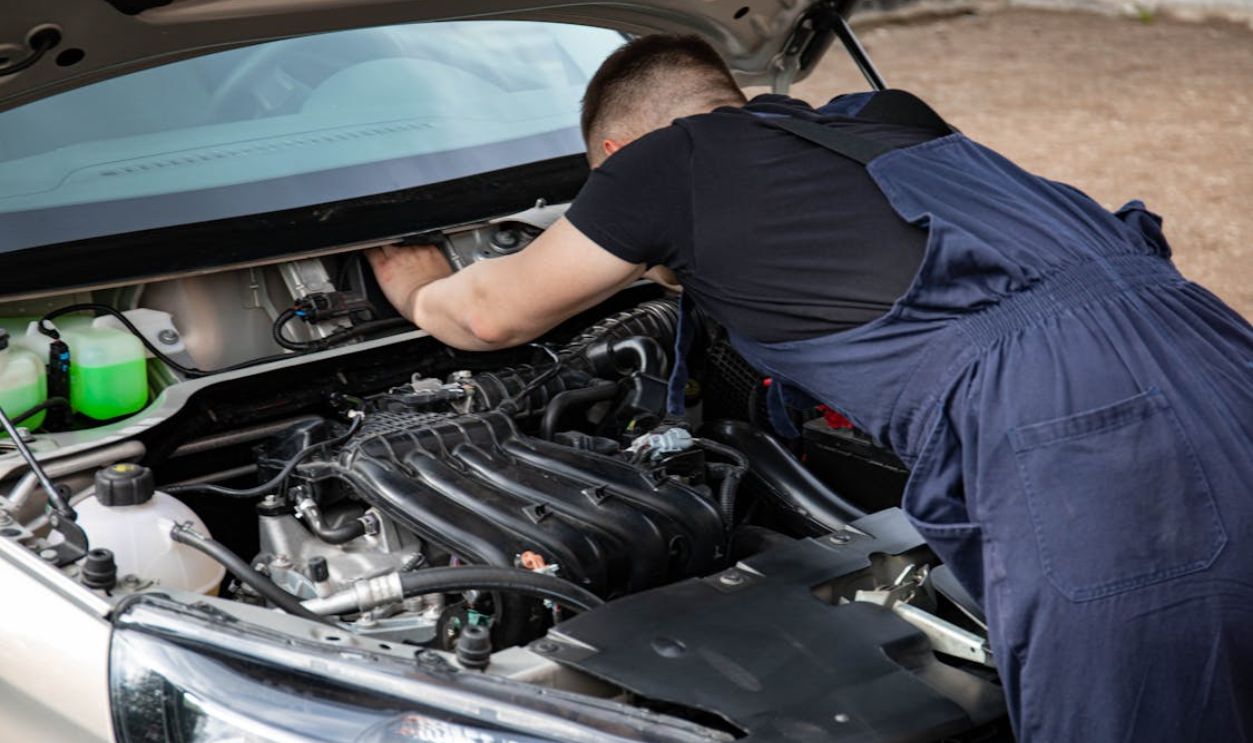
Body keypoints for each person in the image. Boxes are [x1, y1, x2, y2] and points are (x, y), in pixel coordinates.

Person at [367, 34, 1253, 742]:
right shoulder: (889, 120)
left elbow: (489, 316)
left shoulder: (663, 162)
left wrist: (410, 284)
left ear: (613, 151)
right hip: (1213, 352)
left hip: (1081, 428)